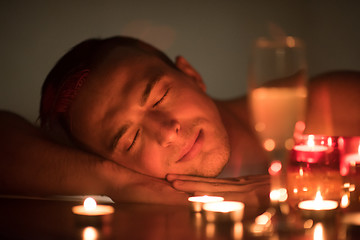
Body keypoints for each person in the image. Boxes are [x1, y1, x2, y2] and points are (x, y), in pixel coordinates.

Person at [0, 36, 359, 205]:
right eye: (129, 141)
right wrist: (119, 184)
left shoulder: (323, 105)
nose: (166, 131)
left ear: (190, 74)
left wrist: (305, 189)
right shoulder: (141, 193)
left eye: (158, 96)